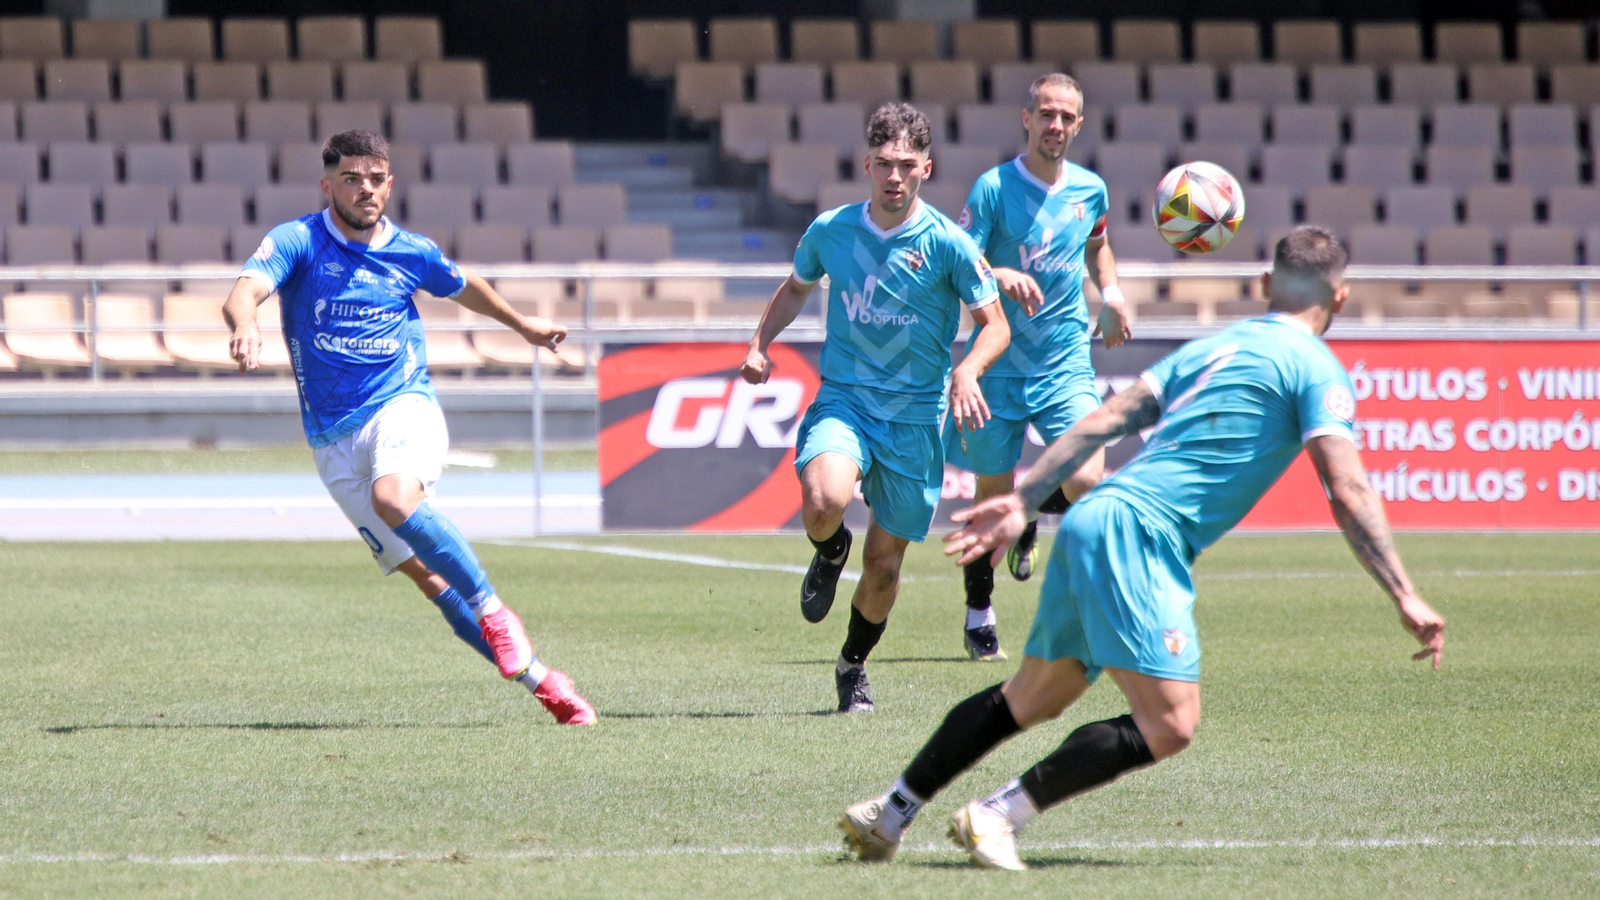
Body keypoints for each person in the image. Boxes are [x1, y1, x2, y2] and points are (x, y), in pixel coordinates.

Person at [839, 227, 1446, 866]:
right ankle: (997, 815)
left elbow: (1103, 420)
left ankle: (892, 811)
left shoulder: (1213, 347)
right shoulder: (1317, 369)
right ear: (1340, 300)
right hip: (1142, 535)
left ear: (1265, 285)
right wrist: (1404, 593)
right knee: (1171, 723)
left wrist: (1024, 500)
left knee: (1035, 695)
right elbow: (1347, 489)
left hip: (1090, 520)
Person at [222, 130, 596, 725]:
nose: (364, 189)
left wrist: (523, 326)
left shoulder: (411, 251)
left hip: (400, 404)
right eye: (351, 179)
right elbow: (245, 292)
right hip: (330, 440)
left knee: (393, 497)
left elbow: (463, 285)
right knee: (424, 576)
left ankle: (494, 608)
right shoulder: (298, 240)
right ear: (328, 186)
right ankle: (543, 681)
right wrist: (246, 324)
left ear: (389, 184)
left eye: (374, 179)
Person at [740, 103, 1009, 713]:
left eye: (907, 166)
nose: (894, 176)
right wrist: (759, 344)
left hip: (915, 421)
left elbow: (994, 326)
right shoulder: (833, 230)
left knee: (884, 567)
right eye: (884, 164)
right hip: (847, 401)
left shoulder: (950, 243)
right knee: (822, 502)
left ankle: (851, 665)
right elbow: (796, 288)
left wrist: (968, 369)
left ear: (926, 169)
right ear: (867, 164)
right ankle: (829, 549)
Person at [944, 72, 1131, 662]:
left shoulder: (1090, 190)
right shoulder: (994, 188)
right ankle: (979, 613)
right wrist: (997, 274)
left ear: (1079, 124)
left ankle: (1038, 529)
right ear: (1026, 119)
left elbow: (1097, 244)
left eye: (1066, 117)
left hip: (1063, 363)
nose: (1055, 125)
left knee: (1087, 481)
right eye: (1045, 114)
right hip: (996, 365)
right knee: (989, 493)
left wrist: (1113, 294)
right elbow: (960, 257)